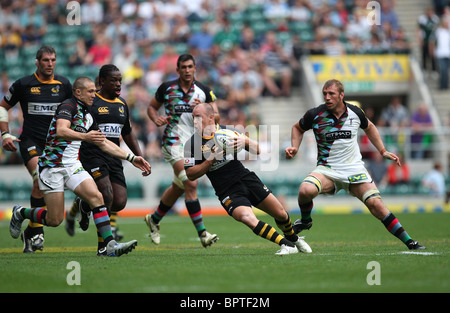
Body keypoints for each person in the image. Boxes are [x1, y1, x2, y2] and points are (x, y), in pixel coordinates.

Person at [9, 77, 151, 257]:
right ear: (78, 92)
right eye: (90, 91)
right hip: (52, 166)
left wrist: (132, 158)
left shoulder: (89, 114)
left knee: (97, 197)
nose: (94, 94)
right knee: (54, 219)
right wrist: (86, 137)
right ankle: (21, 213)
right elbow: (61, 130)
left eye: (94, 91)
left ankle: (108, 246)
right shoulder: (68, 106)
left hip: (72, 166)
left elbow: (103, 142)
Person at [285, 79, 425, 250]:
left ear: (341, 95)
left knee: (377, 206)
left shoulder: (355, 112)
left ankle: (409, 241)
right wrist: (295, 147)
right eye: (325, 94)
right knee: (305, 190)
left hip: (354, 170)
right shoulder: (315, 114)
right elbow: (297, 128)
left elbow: (370, 127)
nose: (327, 97)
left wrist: (382, 151)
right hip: (327, 170)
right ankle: (306, 221)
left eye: (331, 94)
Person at [184, 103, 312, 255]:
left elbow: (257, 150)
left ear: (211, 117)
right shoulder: (191, 144)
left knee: (281, 214)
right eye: (193, 118)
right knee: (247, 217)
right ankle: (286, 245)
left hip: (246, 178)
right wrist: (210, 160)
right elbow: (191, 174)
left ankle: (294, 239)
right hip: (226, 190)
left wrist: (245, 142)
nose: (195, 121)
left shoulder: (229, 132)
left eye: (198, 117)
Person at [65, 65, 149, 252]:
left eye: (119, 80)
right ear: (102, 82)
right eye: (113, 80)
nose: (118, 84)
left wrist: (138, 157)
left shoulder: (122, 104)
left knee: (119, 201)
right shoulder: (91, 102)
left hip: (114, 156)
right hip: (92, 154)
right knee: (106, 194)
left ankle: (83, 204)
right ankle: (104, 246)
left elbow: (127, 133)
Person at [0, 46, 72, 253]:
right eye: (46, 60)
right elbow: (2, 107)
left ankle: (29, 229)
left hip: (55, 145)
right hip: (30, 141)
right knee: (40, 178)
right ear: (37, 62)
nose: (50, 64)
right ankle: (38, 231)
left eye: (53, 60)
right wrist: (5, 134)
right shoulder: (23, 84)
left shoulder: (64, 84)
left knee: (40, 186)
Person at [144, 54, 219, 247]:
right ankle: (203, 234)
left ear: (195, 68)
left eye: (190, 67)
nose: (187, 70)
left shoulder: (204, 91)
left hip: (194, 145)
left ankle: (154, 219)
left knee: (179, 187)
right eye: (183, 67)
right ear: (177, 70)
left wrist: (203, 108)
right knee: (191, 184)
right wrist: (155, 119)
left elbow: (216, 115)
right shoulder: (166, 88)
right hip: (173, 142)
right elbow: (152, 107)